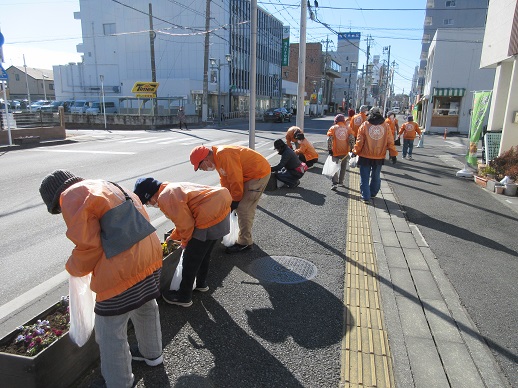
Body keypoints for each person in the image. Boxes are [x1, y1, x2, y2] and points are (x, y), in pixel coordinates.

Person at [39, 170, 163, 388]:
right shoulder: (106, 184)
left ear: (55, 199)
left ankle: (119, 382)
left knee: (110, 330)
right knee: (146, 306)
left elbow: (89, 246)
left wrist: (73, 269)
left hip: (123, 267)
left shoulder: (71, 195)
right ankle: (153, 355)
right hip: (150, 252)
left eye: (56, 209)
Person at [134, 178, 232, 307]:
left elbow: (186, 225)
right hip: (220, 212)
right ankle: (201, 284)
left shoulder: (165, 198)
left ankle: (184, 296)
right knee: (204, 254)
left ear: (150, 195)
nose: (149, 205)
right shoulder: (171, 187)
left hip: (207, 219)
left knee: (190, 259)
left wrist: (185, 243)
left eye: (147, 202)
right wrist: (174, 236)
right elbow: (184, 218)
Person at [189, 145, 271, 254]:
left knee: (243, 208)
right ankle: (244, 236)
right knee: (241, 207)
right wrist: (227, 197)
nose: (202, 170)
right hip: (249, 175)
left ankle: (245, 242)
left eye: (200, 167)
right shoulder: (218, 158)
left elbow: (235, 179)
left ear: (206, 160)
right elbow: (225, 178)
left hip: (258, 174)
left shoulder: (223, 154)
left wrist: (235, 200)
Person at [352, 107, 398, 203]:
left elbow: (359, 142)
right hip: (379, 156)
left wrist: (354, 152)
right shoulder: (385, 126)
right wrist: (393, 154)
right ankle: (372, 193)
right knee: (376, 176)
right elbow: (390, 141)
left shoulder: (365, 125)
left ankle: (366, 196)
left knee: (364, 177)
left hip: (365, 155)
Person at [327, 113, 356, 190]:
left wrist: (330, 149)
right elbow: (352, 139)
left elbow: (329, 139)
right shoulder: (348, 128)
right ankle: (341, 182)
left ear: (336, 120)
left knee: (334, 167)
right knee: (343, 167)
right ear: (343, 121)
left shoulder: (333, 128)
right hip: (345, 151)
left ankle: (334, 183)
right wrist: (352, 149)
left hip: (335, 151)